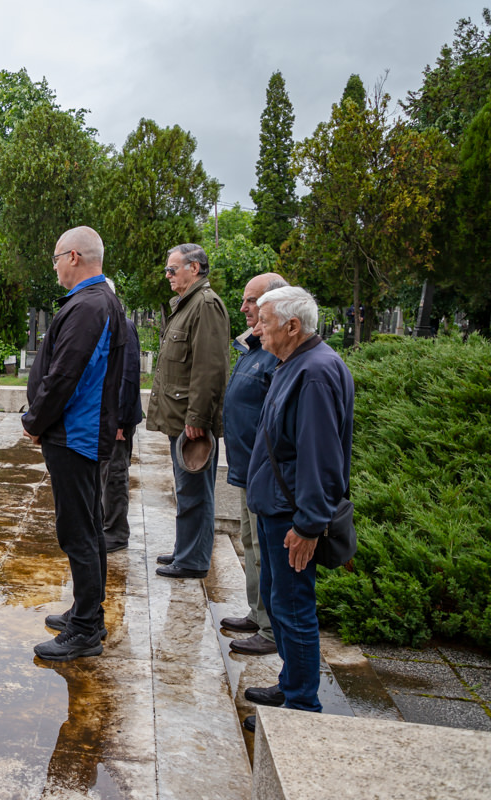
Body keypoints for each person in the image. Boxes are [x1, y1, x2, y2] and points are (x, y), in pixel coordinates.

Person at [242, 286, 354, 730]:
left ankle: (303, 710)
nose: (257, 327)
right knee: (279, 600)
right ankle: (291, 684)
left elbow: (319, 457)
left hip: (292, 516)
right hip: (277, 506)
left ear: (292, 326)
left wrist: (308, 526)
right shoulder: (297, 362)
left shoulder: (314, 373)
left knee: (293, 608)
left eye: (264, 321)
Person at [22, 226, 125, 661]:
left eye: (57, 257)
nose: (55, 266)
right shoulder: (96, 301)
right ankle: (88, 613)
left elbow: (65, 375)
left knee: (78, 531)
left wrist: (34, 420)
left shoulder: (89, 305)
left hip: (75, 436)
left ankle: (85, 629)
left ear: (76, 257)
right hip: (79, 433)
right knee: (87, 528)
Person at [147, 243, 229, 579]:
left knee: (195, 491)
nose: (167, 275)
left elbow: (210, 368)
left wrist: (197, 418)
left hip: (190, 421)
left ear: (194, 269)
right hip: (180, 417)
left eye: (172, 269)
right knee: (186, 489)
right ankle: (186, 549)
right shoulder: (188, 304)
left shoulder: (205, 305)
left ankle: (193, 559)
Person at [220, 273, 288, 656]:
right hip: (247, 468)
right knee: (250, 542)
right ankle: (257, 612)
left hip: (265, 473)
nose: (244, 308)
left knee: (265, 550)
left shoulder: (278, 353)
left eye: (251, 301)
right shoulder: (254, 347)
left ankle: (271, 628)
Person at [101, 277, 142, 553]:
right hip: (105, 416)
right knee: (104, 475)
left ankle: (116, 533)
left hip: (118, 419)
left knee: (115, 475)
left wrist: (120, 421)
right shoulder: (105, 325)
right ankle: (106, 526)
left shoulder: (123, 326)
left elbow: (127, 377)